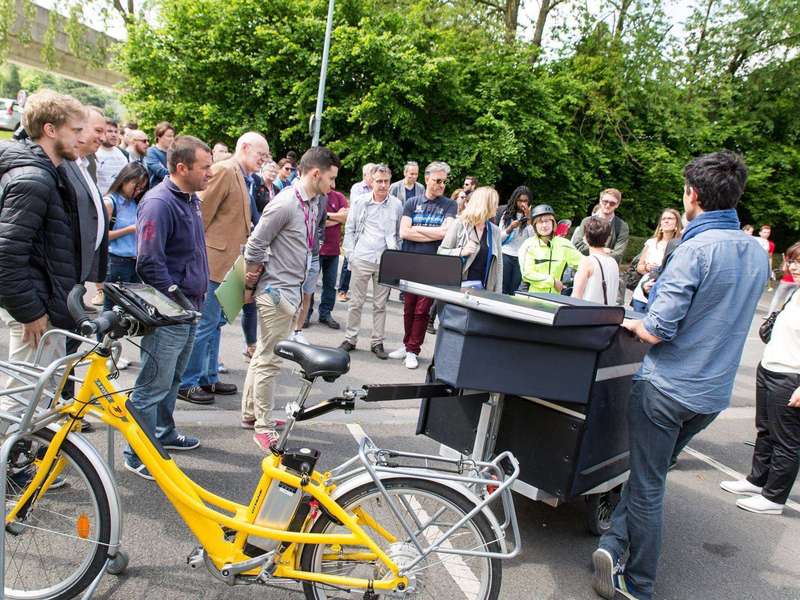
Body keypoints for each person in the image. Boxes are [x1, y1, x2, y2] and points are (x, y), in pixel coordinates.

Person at [591, 151, 769, 600]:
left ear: (692, 195)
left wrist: (632, 320)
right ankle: (612, 543)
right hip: (710, 395)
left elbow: (656, 329)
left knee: (648, 484)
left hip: (666, 388)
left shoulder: (694, 249)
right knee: (651, 472)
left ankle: (638, 583)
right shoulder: (754, 251)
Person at [124, 135, 213, 480]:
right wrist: (176, 297)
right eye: (204, 167)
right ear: (182, 167)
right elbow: (148, 261)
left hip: (189, 308)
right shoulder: (159, 202)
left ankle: (163, 434)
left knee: (172, 379)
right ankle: (137, 453)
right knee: (152, 383)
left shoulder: (190, 199)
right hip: (169, 311)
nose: (210, 173)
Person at [241, 146, 340, 451]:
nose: (334, 185)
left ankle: (251, 414)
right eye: (332, 178)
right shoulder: (285, 204)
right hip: (276, 292)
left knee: (263, 356)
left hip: (291, 289)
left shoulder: (314, 202)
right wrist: (253, 277)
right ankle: (263, 425)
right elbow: (255, 244)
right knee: (270, 361)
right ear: (315, 174)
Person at [178, 132, 269, 405]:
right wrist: (196, 258)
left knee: (215, 324)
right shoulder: (224, 170)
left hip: (227, 263)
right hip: (211, 262)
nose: (264, 160)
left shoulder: (239, 174)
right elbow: (200, 215)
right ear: (244, 147)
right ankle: (188, 382)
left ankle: (207, 377)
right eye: (260, 154)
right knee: (205, 325)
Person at [0, 89, 84, 381]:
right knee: (22, 407)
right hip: (35, 312)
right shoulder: (33, 179)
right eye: (75, 130)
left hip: (44, 304)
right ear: (50, 130)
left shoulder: (46, 172)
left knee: (35, 403)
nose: (81, 138)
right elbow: (7, 255)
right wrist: (31, 313)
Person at [720, 242, 800, 515]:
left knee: (786, 439)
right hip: (770, 367)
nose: (794, 267)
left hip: (791, 375)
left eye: (799, 262)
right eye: (792, 261)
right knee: (765, 429)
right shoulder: (796, 293)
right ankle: (757, 480)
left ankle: (774, 498)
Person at [389, 161, 457, 370]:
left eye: (444, 182)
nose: (441, 185)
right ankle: (406, 344)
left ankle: (413, 349)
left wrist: (417, 229)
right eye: (437, 180)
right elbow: (403, 232)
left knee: (422, 310)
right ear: (426, 179)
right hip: (410, 262)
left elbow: (446, 233)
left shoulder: (449, 205)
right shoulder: (412, 203)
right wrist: (431, 232)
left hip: (432, 264)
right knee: (408, 307)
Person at [338, 164, 403, 358]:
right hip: (362, 257)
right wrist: (351, 255)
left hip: (385, 260)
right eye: (379, 181)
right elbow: (350, 229)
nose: (383, 185)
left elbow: (398, 234)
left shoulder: (397, 205)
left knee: (380, 305)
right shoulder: (360, 202)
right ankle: (350, 339)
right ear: (371, 181)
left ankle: (377, 342)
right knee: (356, 302)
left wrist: (395, 255)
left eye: (386, 181)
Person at [63, 107, 110, 310]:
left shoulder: (86, 164)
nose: (103, 137)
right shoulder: (63, 166)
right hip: (64, 271)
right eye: (98, 131)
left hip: (76, 273)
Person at [438, 187, 503, 292]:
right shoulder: (459, 224)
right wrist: (461, 251)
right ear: (485, 205)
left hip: (483, 292)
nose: (497, 206)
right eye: (495, 203)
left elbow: (498, 267)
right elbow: (441, 253)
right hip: (456, 290)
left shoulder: (495, 231)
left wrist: (498, 294)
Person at [572, 188, 630, 303]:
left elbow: (618, 254)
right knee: (581, 301)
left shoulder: (621, 226)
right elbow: (577, 244)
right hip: (586, 268)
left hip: (608, 272)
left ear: (617, 205)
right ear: (600, 200)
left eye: (612, 203)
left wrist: (593, 249)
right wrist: (603, 250)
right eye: (605, 201)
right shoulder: (587, 221)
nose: (608, 205)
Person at [288, 192, 327, 345]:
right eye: (329, 178)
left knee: (307, 295)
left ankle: (297, 331)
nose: (331, 184)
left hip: (314, 255)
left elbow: (321, 223)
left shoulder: (324, 198)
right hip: (295, 254)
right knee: (291, 294)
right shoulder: (293, 195)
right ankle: (285, 330)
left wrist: (319, 240)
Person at [517, 204, 582, 294]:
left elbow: (583, 264)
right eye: (540, 222)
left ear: (553, 223)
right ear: (534, 225)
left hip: (555, 299)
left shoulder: (564, 244)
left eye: (547, 221)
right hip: (531, 298)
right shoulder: (528, 245)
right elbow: (527, 274)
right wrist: (552, 281)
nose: (544, 225)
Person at [629, 208, 683, 313]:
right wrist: (646, 268)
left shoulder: (680, 246)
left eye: (670, 218)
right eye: (664, 219)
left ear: (677, 223)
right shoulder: (651, 243)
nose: (666, 221)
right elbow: (639, 267)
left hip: (661, 296)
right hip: (642, 294)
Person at [318, 181, 349, 329]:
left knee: (330, 285)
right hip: (316, 249)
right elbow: (316, 220)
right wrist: (336, 218)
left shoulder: (339, 196)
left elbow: (346, 218)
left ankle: (325, 313)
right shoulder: (317, 195)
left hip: (333, 250)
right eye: (329, 178)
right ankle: (305, 313)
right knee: (309, 284)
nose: (331, 181)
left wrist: (326, 217)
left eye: (333, 178)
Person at [571, 217, 620, 305]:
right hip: (607, 315)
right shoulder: (613, 262)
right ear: (608, 238)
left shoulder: (587, 262)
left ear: (585, 237)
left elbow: (576, 297)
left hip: (588, 314)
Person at [497, 186, 533, 294]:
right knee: (502, 287)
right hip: (506, 254)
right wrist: (510, 228)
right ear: (515, 200)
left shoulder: (532, 217)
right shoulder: (506, 214)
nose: (522, 203)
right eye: (520, 200)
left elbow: (533, 239)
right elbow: (499, 238)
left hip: (521, 257)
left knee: (515, 289)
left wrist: (529, 220)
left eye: (525, 201)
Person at [95, 119, 130, 195]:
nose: (114, 135)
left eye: (116, 132)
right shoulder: (94, 153)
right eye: (110, 131)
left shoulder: (122, 154)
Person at [144, 121, 175, 188]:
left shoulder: (174, 152)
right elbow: (161, 172)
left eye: (173, 136)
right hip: (158, 192)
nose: (172, 139)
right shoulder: (151, 152)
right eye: (169, 136)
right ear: (159, 137)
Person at [756, 224, 776, 291]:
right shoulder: (754, 241)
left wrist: (770, 268)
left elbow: (770, 257)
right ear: (760, 233)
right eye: (765, 232)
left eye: (768, 232)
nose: (766, 234)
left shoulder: (771, 244)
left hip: (763, 265)